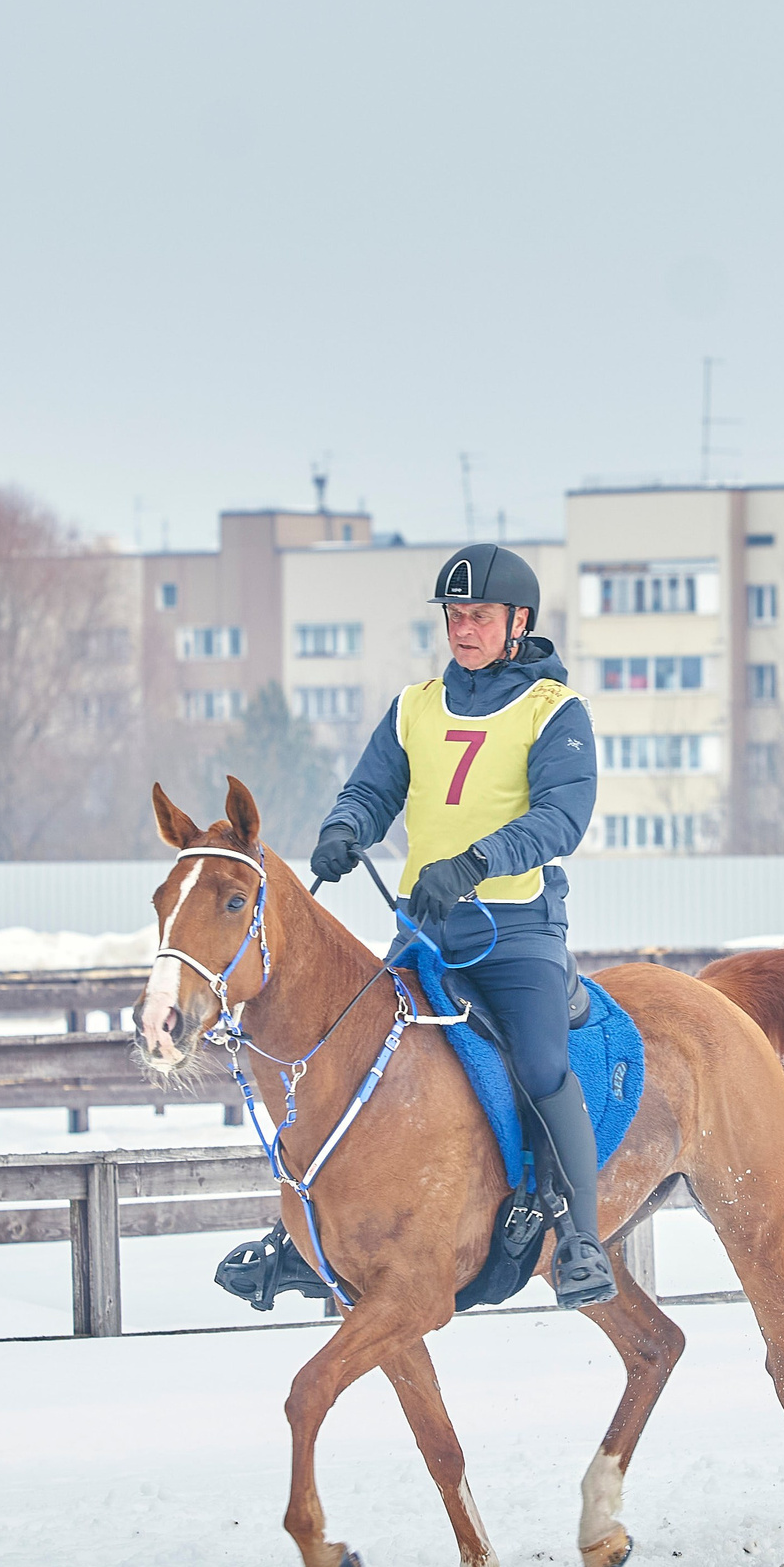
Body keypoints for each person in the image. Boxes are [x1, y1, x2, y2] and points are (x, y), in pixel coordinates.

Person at [306, 543, 613, 1306]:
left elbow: (562, 817)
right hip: (424, 926)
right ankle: (301, 1230)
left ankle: (580, 1237)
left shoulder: (554, 711)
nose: (462, 628)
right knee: (343, 1046)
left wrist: (475, 861)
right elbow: (372, 789)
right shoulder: (415, 706)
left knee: (543, 1066)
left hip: (516, 932)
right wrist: (347, 827)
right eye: (452, 615)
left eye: (477, 615)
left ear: (518, 623)